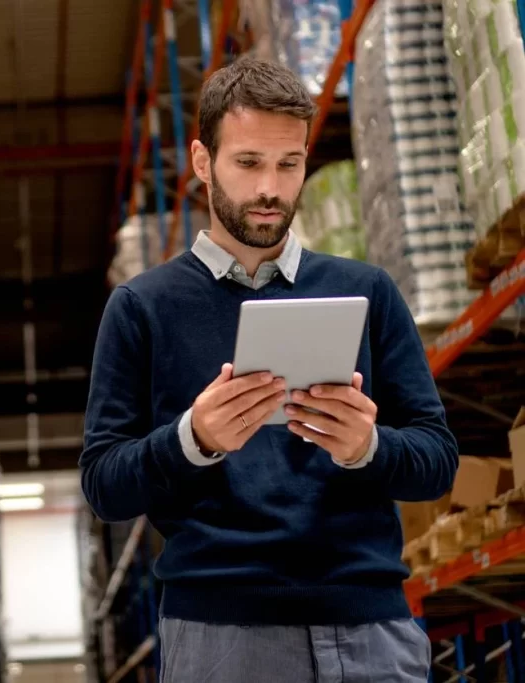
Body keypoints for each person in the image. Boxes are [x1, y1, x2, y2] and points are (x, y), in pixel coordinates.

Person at [79, 56, 458, 683]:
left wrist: (368, 447)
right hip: (221, 637)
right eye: (249, 163)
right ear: (203, 162)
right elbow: (104, 485)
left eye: (290, 165)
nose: (271, 190)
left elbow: (436, 461)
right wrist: (192, 440)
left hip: (370, 628)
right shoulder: (142, 307)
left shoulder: (368, 291)